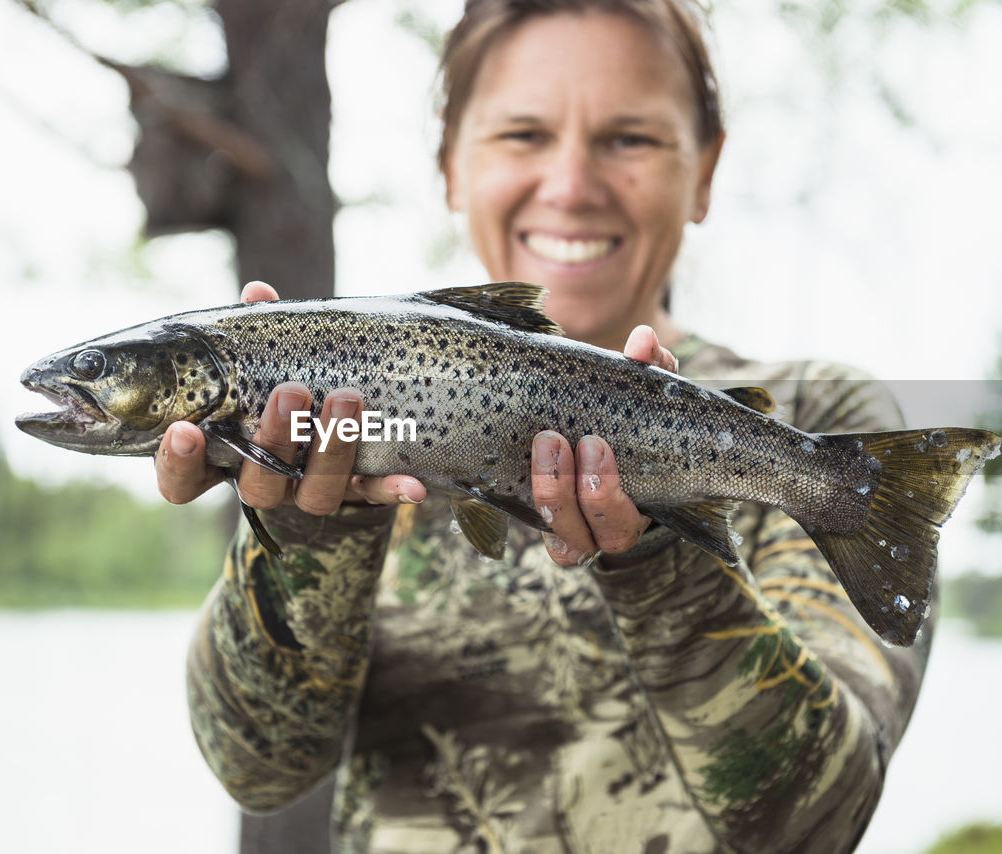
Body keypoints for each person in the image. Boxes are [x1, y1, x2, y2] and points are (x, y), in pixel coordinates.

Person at [158, 1, 930, 850]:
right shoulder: (344, 428)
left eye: (628, 138)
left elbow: (818, 821)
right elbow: (258, 769)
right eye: (523, 135)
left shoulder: (822, 421)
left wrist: (658, 557)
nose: (570, 185)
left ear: (705, 171)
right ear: (449, 164)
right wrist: (305, 537)